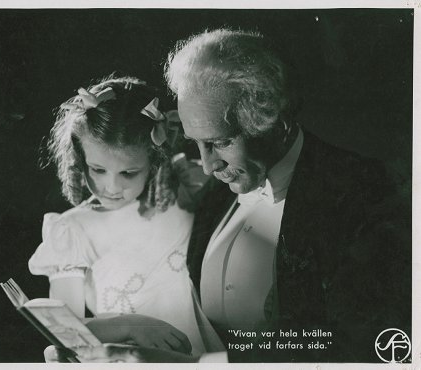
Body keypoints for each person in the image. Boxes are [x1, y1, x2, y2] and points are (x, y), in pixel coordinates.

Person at [47, 29, 411, 363]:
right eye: (197, 144)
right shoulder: (210, 194)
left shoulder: (366, 195)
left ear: (274, 121)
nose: (207, 165)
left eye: (220, 142)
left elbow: (375, 347)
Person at [28, 76, 225, 357]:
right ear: (80, 159)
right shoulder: (72, 229)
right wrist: (132, 326)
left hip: (201, 356)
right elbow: (63, 331)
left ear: (154, 162)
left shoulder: (177, 199)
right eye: (97, 169)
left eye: (128, 173)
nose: (111, 187)